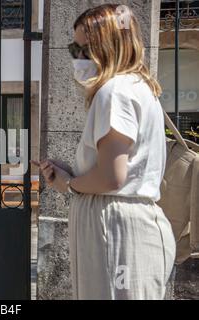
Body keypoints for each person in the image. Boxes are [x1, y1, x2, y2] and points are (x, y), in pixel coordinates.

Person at [32, 4, 175, 300]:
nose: (76, 57)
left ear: (104, 46)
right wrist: (73, 175)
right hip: (118, 226)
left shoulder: (116, 91)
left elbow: (112, 177)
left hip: (117, 228)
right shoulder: (135, 87)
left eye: (81, 48)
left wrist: (70, 184)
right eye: (74, 48)